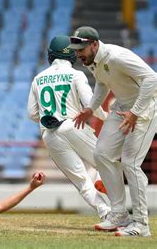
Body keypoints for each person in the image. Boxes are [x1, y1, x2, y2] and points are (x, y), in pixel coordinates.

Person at [70, 26, 157, 237]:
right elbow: (102, 83)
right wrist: (91, 108)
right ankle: (119, 214)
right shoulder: (93, 61)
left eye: (81, 49)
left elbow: (152, 79)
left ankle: (141, 224)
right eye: (76, 50)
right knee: (102, 154)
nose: (78, 54)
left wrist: (135, 112)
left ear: (94, 44)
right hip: (121, 109)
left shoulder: (117, 57)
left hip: (145, 109)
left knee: (130, 163)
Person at [27, 35, 111, 221]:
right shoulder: (76, 75)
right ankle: (102, 183)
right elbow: (92, 104)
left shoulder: (38, 78)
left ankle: (106, 212)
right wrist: (107, 117)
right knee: (107, 161)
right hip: (75, 125)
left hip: (50, 134)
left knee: (81, 181)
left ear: (51, 55)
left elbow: (31, 113)